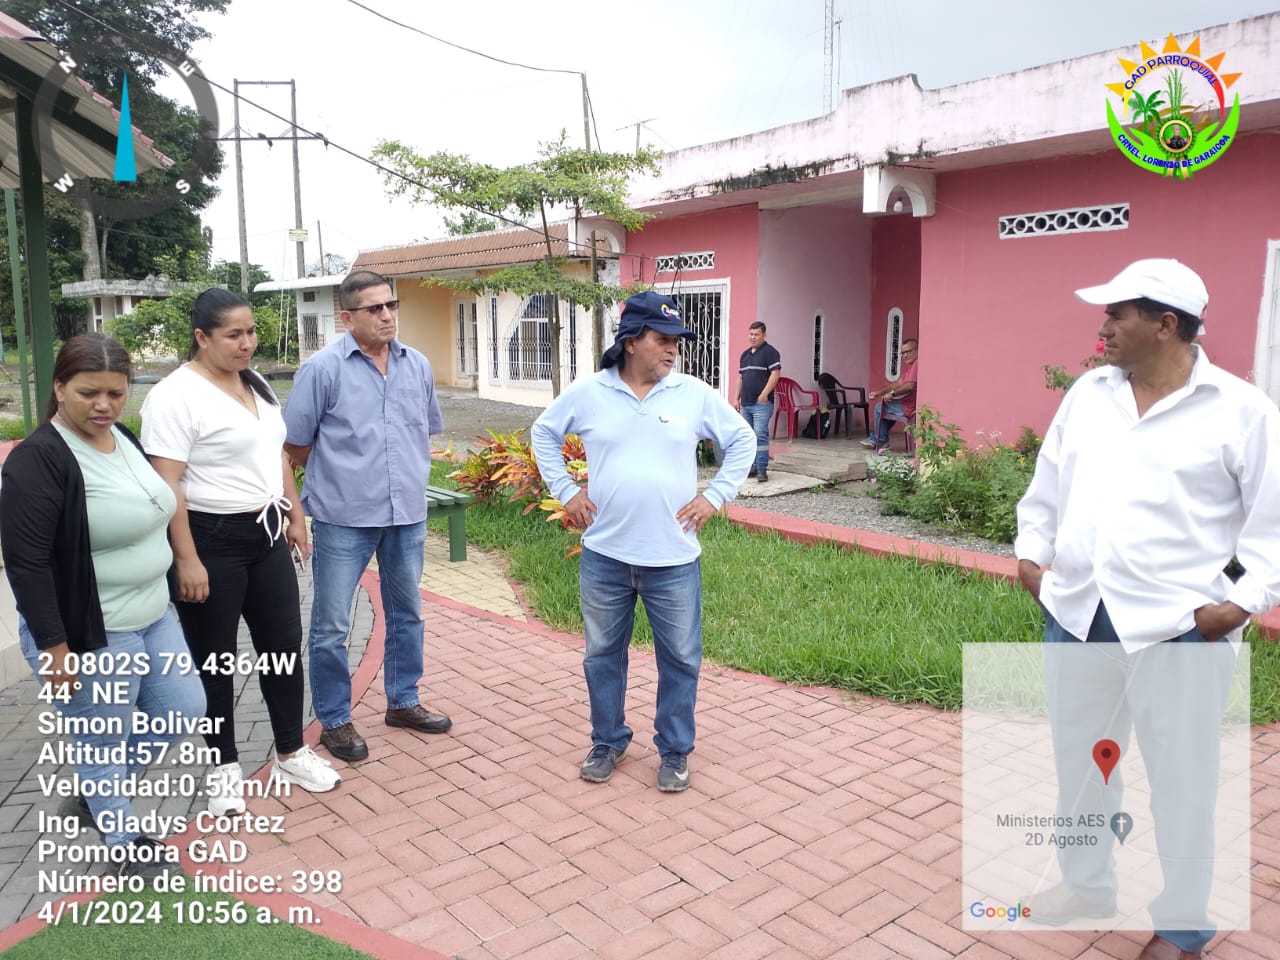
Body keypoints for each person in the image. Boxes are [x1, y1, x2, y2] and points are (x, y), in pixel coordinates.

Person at [1015, 259, 1280, 960]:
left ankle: (1183, 927)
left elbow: (1272, 526)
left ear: (1166, 325)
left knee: (1183, 780)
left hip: (1178, 629)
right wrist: (1032, 554)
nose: (1102, 327)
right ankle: (1087, 884)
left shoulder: (1243, 411)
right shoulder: (1089, 395)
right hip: (1079, 615)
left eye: (1117, 314)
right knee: (1083, 764)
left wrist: (1238, 603)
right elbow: (1049, 481)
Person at [530, 291, 755, 793]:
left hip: (672, 558)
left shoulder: (692, 394)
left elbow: (742, 439)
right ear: (631, 342)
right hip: (605, 555)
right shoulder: (590, 392)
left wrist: (715, 496)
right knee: (602, 655)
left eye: (677, 341)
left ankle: (674, 750)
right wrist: (566, 491)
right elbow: (543, 433)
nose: (672, 349)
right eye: (662, 339)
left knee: (680, 657)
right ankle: (608, 740)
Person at [0, 333, 205, 881]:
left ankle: (97, 794)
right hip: (90, 631)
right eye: (89, 393)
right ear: (59, 388)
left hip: (153, 614)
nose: (104, 406)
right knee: (102, 739)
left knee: (183, 709)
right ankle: (123, 841)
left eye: (116, 393)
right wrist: (55, 648)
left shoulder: (123, 438)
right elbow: (26, 564)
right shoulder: (37, 460)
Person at [142, 289, 341, 814]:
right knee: (215, 658)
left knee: (282, 646)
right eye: (233, 335)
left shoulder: (254, 383)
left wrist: (295, 514)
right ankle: (224, 765)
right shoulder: (174, 395)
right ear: (201, 337)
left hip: (266, 533)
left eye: (251, 332)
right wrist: (186, 558)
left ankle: (291, 751)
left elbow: (275, 455)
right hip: (210, 539)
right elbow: (168, 485)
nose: (247, 343)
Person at [283, 270, 448, 763]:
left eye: (391, 305)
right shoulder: (322, 370)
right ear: (347, 317)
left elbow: (424, 431)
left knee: (408, 612)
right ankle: (335, 720)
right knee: (332, 624)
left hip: (406, 514)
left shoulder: (416, 365)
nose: (387, 315)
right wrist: (340, 478)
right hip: (343, 517)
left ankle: (403, 701)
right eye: (374, 308)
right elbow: (295, 445)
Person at [734, 321, 781, 482]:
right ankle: (752, 467)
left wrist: (764, 394)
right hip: (746, 404)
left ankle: (762, 468)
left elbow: (775, 374)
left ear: (764, 335)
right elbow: (740, 378)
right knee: (749, 436)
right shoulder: (745, 355)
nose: (753, 337)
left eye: (756, 334)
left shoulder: (770, 352)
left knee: (760, 435)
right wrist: (736, 398)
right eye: (751, 334)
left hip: (761, 404)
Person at [860, 338, 918, 452]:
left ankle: (879, 441)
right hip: (908, 404)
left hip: (910, 407)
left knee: (880, 408)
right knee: (886, 406)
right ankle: (877, 439)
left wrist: (892, 394)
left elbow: (910, 386)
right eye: (903, 353)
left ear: (918, 350)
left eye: (909, 351)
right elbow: (898, 383)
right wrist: (879, 393)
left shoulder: (917, 364)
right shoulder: (912, 367)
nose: (905, 355)